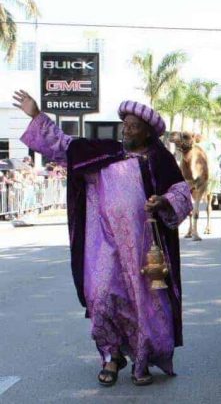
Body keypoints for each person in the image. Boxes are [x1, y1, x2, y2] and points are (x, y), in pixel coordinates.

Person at [12, 90, 193, 386]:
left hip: (144, 248)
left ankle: (141, 360)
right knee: (101, 297)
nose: (127, 130)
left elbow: (182, 192)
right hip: (104, 244)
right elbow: (64, 145)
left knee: (143, 303)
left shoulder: (159, 160)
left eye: (134, 126)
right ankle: (110, 356)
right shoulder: (103, 153)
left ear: (147, 133)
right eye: (125, 125)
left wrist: (163, 201)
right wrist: (36, 115)